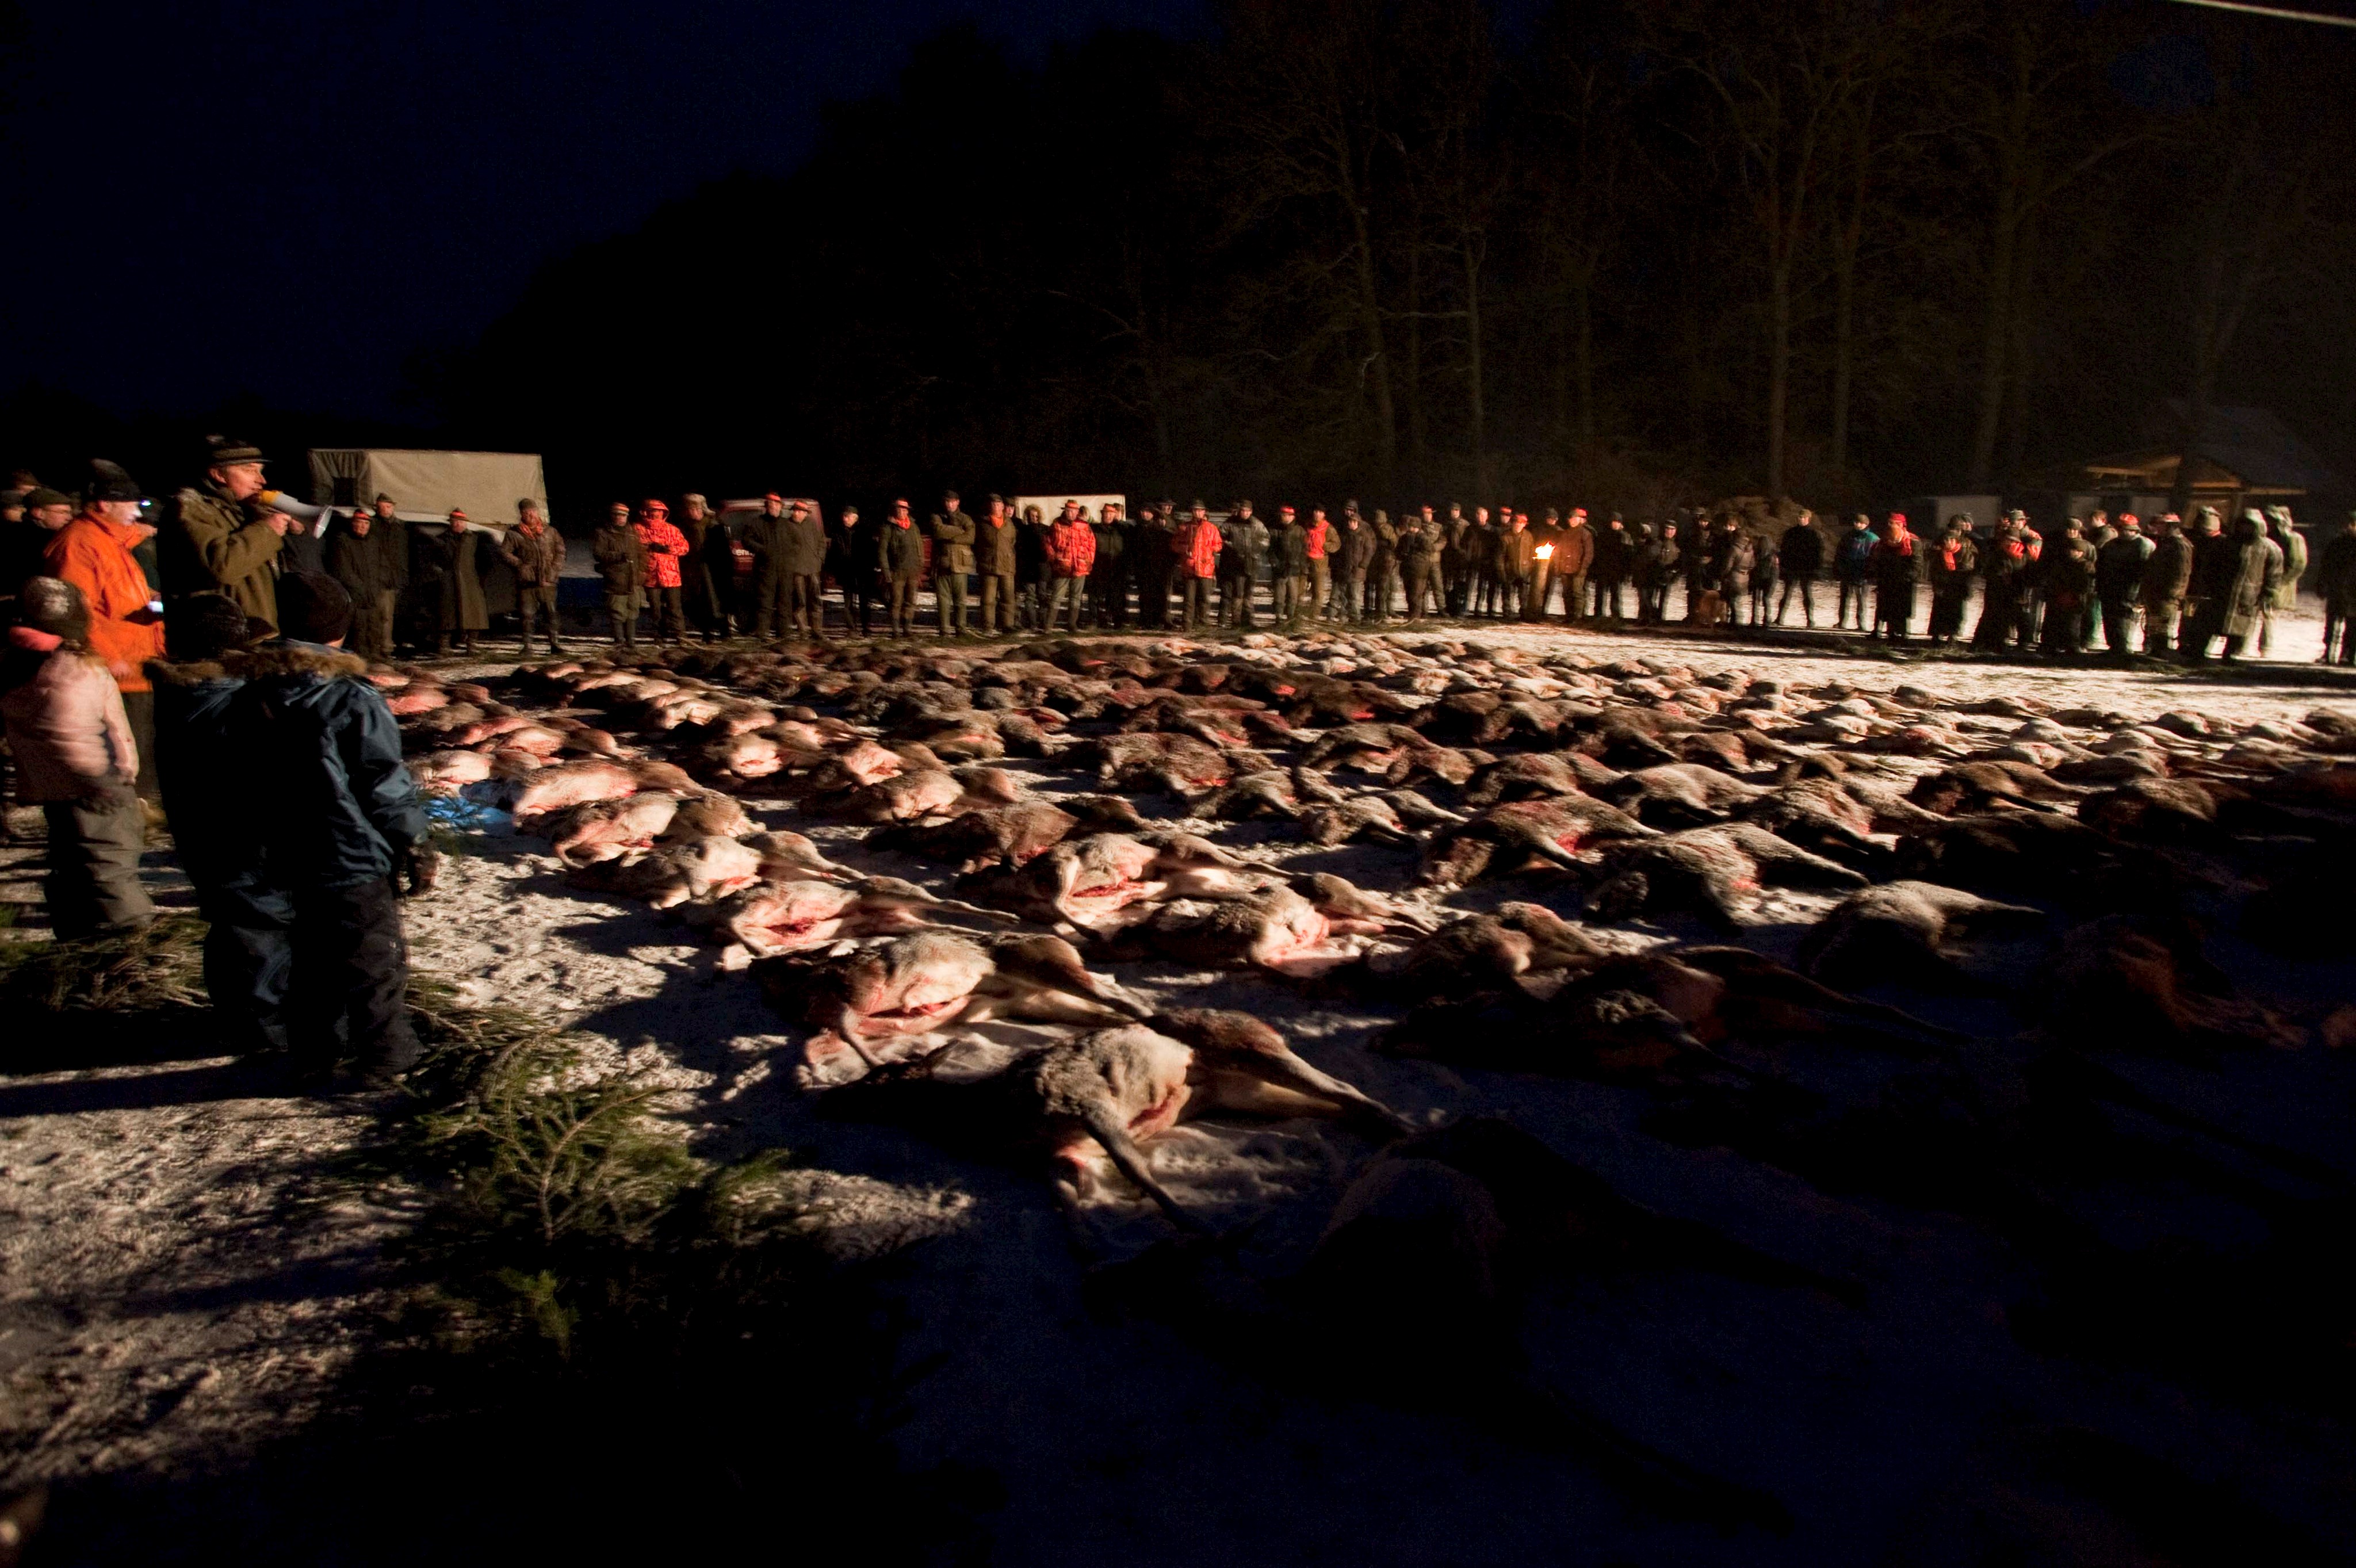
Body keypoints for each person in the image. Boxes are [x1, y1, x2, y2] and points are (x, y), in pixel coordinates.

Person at [220, 572, 431, 1086]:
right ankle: (389, 1055)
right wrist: (413, 838)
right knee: (372, 960)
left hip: (282, 849)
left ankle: (315, 1049)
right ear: (340, 628)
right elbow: (381, 779)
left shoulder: (248, 690)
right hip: (349, 853)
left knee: (310, 956)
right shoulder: (349, 697)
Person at [150, 595, 290, 1053]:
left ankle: (239, 1012)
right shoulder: (226, 704)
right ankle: (264, 1027)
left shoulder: (179, 691)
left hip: (201, 830)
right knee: (259, 921)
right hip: (241, 835)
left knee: (232, 921)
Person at [1, 578, 152, 939]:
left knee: (71, 868)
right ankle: (124, 949)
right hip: (95, 788)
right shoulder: (70, 670)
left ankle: (77, 943)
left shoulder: (17, 662)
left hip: (53, 787)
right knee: (110, 868)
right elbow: (69, 733)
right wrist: (104, 782)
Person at [45, 461, 167, 800]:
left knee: (143, 745)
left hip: (139, 663)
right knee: (124, 752)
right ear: (104, 504)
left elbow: (114, 594)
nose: (137, 511)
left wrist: (151, 600)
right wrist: (106, 659)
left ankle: (143, 808)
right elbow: (73, 613)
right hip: (115, 670)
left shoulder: (112, 541)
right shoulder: (79, 545)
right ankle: (131, 810)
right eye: (130, 504)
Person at [165, 435, 285, 631]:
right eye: (250, 471)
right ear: (219, 475)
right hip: (220, 636)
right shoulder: (190, 508)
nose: (261, 480)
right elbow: (222, 567)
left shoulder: (238, 510)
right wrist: (267, 530)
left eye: (260, 471)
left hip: (250, 632)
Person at [329, 504, 401, 661]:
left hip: (373, 592)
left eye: (366, 524)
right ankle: (361, 657)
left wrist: (379, 584)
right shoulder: (343, 541)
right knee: (359, 627)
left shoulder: (373, 542)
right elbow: (343, 570)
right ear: (353, 523)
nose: (362, 526)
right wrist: (358, 588)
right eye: (359, 523)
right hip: (355, 594)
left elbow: (383, 566)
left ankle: (374, 653)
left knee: (375, 624)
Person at [2214, 509, 2283, 661]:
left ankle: (2232, 652)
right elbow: (2215, 566)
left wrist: (2269, 593)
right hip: (2225, 591)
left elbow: (2274, 573)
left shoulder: (2269, 548)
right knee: (2216, 621)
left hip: (2250, 594)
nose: (2245, 529)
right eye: (2243, 525)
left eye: (2250, 525)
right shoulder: (2228, 543)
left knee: (2242, 625)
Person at [502, 500, 566, 655]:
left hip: (547, 581)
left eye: (533, 511)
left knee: (551, 614)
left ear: (537, 512)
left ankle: (555, 644)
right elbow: (505, 553)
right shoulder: (514, 534)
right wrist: (520, 565)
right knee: (527, 615)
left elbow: (561, 551)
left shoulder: (550, 532)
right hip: (527, 582)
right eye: (526, 512)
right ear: (522, 514)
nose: (530, 515)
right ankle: (528, 646)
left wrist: (554, 570)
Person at [424, 508, 488, 657]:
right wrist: (439, 573)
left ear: (466, 524)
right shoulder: (442, 539)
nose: (458, 524)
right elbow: (431, 560)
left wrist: (480, 577)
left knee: (473, 615)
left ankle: (471, 645)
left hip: (470, 582)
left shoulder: (474, 539)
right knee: (447, 615)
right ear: (451, 523)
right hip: (449, 582)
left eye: (461, 522)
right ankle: (444, 646)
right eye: (455, 521)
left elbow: (483, 561)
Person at [2093, 514, 2151, 658]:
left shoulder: (2144, 545)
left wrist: (2141, 592)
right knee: (2110, 618)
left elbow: (2146, 570)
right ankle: (2115, 647)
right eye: (2121, 529)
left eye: (2127, 529)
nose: (2123, 532)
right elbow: (2101, 567)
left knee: (2126, 618)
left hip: (2131, 590)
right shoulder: (2111, 545)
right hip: (2110, 588)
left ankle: (2124, 648)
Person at [635, 498, 691, 647]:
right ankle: (659, 636)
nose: (656, 515)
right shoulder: (638, 529)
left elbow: (685, 547)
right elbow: (634, 548)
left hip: (671, 576)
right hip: (651, 576)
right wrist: (648, 548)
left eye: (659, 512)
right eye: (653, 512)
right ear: (646, 512)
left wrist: (669, 549)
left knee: (675, 608)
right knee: (655, 609)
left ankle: (681, 636)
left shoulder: (671, 530)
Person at [2181, 507, 2235, 660]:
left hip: (2211, 590)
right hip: (2195, 587)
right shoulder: (2197, 540)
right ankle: (2187, 645)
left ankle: (2197, 648)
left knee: (2205, 622)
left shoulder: (2223, 544)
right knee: (2189, 619)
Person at [677, 494, 732, 643]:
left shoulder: (714, 525)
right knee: (699, 602)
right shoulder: (684, 527)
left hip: (714, 569)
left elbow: (724, 550)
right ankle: (707, 633)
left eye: (696, 508)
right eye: (690, 508)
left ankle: (724, 630)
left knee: (717, 600)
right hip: (693, 569)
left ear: (702, 509)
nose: (693, 511)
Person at [593, 502, 649, 647]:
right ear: (612, 516)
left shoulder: (632, 533)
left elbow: (641, 554)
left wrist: (642, 571)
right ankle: (619, 642)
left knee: (633, 610)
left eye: (623, 515)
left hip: (633, 579)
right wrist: (619, 556)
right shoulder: (603, 533)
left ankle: (631, 642)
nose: (620, 518)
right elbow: (599, 554)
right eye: (617, 515)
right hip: (615, 579)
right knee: (617, 611)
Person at [2036, 519, 2095, 655]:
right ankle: (2050, 644)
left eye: (2075, 530)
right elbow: (2044, 563)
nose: (2072, 532)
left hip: (2078, 589)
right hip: (2057, 585)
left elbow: (2093, 565)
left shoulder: (2087, 546)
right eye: (2069, 529)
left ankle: (2075, 643)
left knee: (2076, 619)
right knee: (2053, 616)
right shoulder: (2055, 544)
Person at [2140, 513, 2193, 657]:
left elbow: (2182, 572)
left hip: (2166, 594)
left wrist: (2173, 593)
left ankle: (2162, 653)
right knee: (2155, 624)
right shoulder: (2167, 542)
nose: (2156, 527)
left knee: (2162, 625)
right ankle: (2157, 651)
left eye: (2160, 524)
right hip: (2157, 592)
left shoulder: (2180, 544)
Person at [743, 493, 792, 640]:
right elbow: (747, 540)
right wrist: (763, 550)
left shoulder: (786, 524)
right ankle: (762, 632)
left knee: (784, 602)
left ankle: (783, 633)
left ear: (781, 507)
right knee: (765, 601)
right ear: (766, 507)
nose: (774, 507)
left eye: (777, 505)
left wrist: (791, 558)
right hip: (765, 569)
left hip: (785, 569)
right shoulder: (756, 523)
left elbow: (796, 543)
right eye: (771, 505)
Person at [2261, 506, 2307, 658]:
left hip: (2280, 583)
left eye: (2273, 520)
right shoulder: (2269, 536)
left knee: (2270, 614)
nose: (2269, 523)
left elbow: (2298, 563)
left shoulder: (2293, 538)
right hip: (2264, 580)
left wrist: (2282, 580)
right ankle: (2247, 646)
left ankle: (2266, 648)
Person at [779, 499, 828, 641]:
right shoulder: (787, 526)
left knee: (816, 600)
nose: (796, 513)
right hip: (797, 570)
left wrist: (820, 558)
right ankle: (803, 631)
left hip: (813, 568)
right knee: (800, 601)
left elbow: (821, 542)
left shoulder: (812, 525)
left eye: (799, 511)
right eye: (795, 510)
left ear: (805, 514)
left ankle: (817, 630)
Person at [1045, 500, 1097, 633]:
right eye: (1068, 510)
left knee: (1076, 597)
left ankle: (1072, 625)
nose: (1070, 513)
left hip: (1080, 567)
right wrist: (1054, 558)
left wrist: (1089, 560)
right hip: (1062, 568)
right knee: (1057, 596)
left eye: (1073, 511)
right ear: (1065, 510)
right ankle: (1048, 626)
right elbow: (1048, 543)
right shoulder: (1057, 524)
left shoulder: (1084, 526)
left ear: (1077, 512)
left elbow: (1092, 544)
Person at [877, 499, 926, 637]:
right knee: (896, 602)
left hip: (912, 571)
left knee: (910, 601)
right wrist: (886, 572)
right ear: (894, 510)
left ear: (908, 511)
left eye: (904, 510)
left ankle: (907, 629)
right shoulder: (887, 528)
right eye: (899, 509)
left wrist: (920, 567)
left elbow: (919, 547)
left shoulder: (913, 527)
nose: (902, 512)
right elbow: (882, 552)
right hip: (896, 572)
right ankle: (895, 630)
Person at [930, 491, 976, 637]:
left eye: (953, 502)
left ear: (958, 502)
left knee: (960, 600)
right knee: (943, 599)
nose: (950, 505)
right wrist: (959, 531)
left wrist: (951, 537)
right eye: (947, 502)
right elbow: (938, 531)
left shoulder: (966, 518)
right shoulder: (937, 516)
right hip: (943, 563)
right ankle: (944, 629)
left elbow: (971, 537)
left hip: (961, 564)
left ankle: (960, 628)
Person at [1868, 513, 1921, 640]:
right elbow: (1877, 559)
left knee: (1901, 608)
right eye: (1890, 523)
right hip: (1886, 580)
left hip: (1904, 582)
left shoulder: (1912, 541)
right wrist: (1878, 575)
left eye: (1894, 523)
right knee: (1883, 607)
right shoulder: (1884, 542)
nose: (1891, 526)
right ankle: (1881, 631)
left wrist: (1907, 578)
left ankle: (1901, 633)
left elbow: (1917, 564)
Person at [1926, 518, 1978, 645]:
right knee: (1939, 611)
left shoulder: (1967, 544)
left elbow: (1970, 566)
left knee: (1956, 612)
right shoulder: (1940, 544)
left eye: (1957, 529)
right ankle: (1937, 635)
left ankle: (1952, 635)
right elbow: (1933, 564)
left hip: (1957, 585)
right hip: (1943, 584)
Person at [1173, 501, 1222, 631]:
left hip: (1206, 569)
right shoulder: (1184, 528)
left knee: (1205, 598)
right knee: (1189, 599)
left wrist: (1210, 550)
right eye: (1195, 510)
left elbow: (1219, 545)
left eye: (1200, 510)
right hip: (1190, 568)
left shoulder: (1211, 528)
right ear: (1192, 512)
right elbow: (1174, 545)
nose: (1198, 513)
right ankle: (1187, 626)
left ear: (1204, 512)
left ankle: (1202, 624)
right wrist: (1185, 549)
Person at [827, 503, 874, 636]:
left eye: (847, 516)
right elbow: (833, 553)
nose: (844, 519)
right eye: (844, 516)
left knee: (864, 602)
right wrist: (833, 569)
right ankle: (852, 628)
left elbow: (871, 552)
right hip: (846, 571)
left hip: (862, 572)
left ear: (855, 518)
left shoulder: (864, 532)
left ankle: (866, 627)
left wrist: (870, 568)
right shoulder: (838, 533)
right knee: (848, 604)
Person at [976, 495, 1020, 636]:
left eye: (998, 504)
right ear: (989, 507)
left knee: (1008, 598)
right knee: (988, 599)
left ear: (1003, 507)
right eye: (993, 504)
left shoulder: (1009, 524)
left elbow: (1012, 542)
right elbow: (977, 544)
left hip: (1007, 565)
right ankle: (988, 626)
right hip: (989, 566)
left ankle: (1008, 625)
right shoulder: (983, 523)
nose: (996, 507)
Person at [2316, 511, 2356, 666]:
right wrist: (2322, 584)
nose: (2348, 527)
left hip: (2353, 592)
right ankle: (2328, 653)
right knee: (2332, 622)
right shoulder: (2336, 544)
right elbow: (2326, 565)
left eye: (2352, 524)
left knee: (2352, 625)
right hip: (2336, 589)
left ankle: (2349, 654)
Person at [1218, 501, 1265, 630]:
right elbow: (1219, 537)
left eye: (1248, 511)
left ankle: (1249, 620)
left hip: (1253, 563)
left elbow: (1266, 539)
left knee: (1249, 594)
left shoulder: (1257, 524)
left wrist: (1257, 549)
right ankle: (1236, 621)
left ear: (1251, 512)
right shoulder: (1231, 523)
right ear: (1240, 511)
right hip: (1237, 564)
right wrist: (1231, 547)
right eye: (1243, 511)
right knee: (1238, 594)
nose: (1245, 513)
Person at [1774, 511, 1822, 627]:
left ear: (1808, 519)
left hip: (1806, 569)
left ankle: (1810, 619)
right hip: (1792, 567)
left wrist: (1815, 568)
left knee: (1807, 595)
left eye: (1803, 517)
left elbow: (1818, 553)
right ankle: (1780, 618)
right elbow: (1784, 550)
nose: (1801, 519)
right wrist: (1784, 565)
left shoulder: (1813, 534)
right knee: (1787, 594)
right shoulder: (1791, 533)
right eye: (1799, 517)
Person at [1089, 501, 1131, 629]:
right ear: (1102, 514)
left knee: (1116, 596)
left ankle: (1118, 621)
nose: (1108, 516)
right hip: (1099, 567)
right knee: (1098, 597)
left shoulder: (1121, 530)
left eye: (1111, 514)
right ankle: (1098, 620)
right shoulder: (1095, 529)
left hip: (1117, 568)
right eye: (1106, 513)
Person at [1834, 513, 1877, 630]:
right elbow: (1840, 553)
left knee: (1861, 601)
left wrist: (1871, 572)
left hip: (1863, 573)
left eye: (1861, 523)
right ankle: (1842, 621)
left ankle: (1861, 623)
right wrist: (1839, 568)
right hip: (1848, 571)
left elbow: (1875, 557)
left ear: (1866, 524)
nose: (1858, 525)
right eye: (1857, 523)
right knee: (1845, 598)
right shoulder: (1848, 537)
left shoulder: (1872, 538)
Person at [1271, 506, 1309, 625]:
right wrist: (1275, 563)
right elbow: (1270, 549)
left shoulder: (1300, 531)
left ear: (1293, 517)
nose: (1286, 518)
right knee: (1279, 596)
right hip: (1280, 569)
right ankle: (1278, 617)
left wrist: (1303, 567)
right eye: (1283, 515)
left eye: (1288, 515)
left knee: (1293, 596)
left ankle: (1291, 618)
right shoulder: (1275, 531)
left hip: (1295, 569)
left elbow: (1305, 550)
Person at [1399, 510, 1441, 620]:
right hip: (1408, 569)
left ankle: (1416, 616)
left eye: (1413, 527)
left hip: (1419, 570)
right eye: (1410, 527)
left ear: (1417, 527)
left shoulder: (1423, 538)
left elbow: (1428, 551)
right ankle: (1411, 614)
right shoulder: (1405, 538)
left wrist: (1413, 553)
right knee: (1409, 594)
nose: (1411, 529)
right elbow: (1398, 551)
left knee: (1416, 594)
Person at [1330, 507, 1368, 622]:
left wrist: (1363, 564)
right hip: (1344, 569)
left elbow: (1369, 550)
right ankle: (1341, 615)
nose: (1351, 524)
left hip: (1357, 570)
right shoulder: (1344, 535)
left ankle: (1355, 617)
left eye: (1354, 522)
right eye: (1350, 521)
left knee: (1355, 596)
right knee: (1343, 594)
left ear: (1358, 523)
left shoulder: (1363, 536)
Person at [1303, 506, 1334, 623]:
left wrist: (1325, 546)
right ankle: (1299, 613)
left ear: (1324, 515)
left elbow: (1337, 544)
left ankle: (1314, 615)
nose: (1317, 514)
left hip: (1320, 563)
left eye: (1320, 512)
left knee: (1318, 591)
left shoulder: (1328, 528)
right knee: (1301, 589)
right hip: (1306, 561)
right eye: (1316, 511)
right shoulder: (1307, 525)